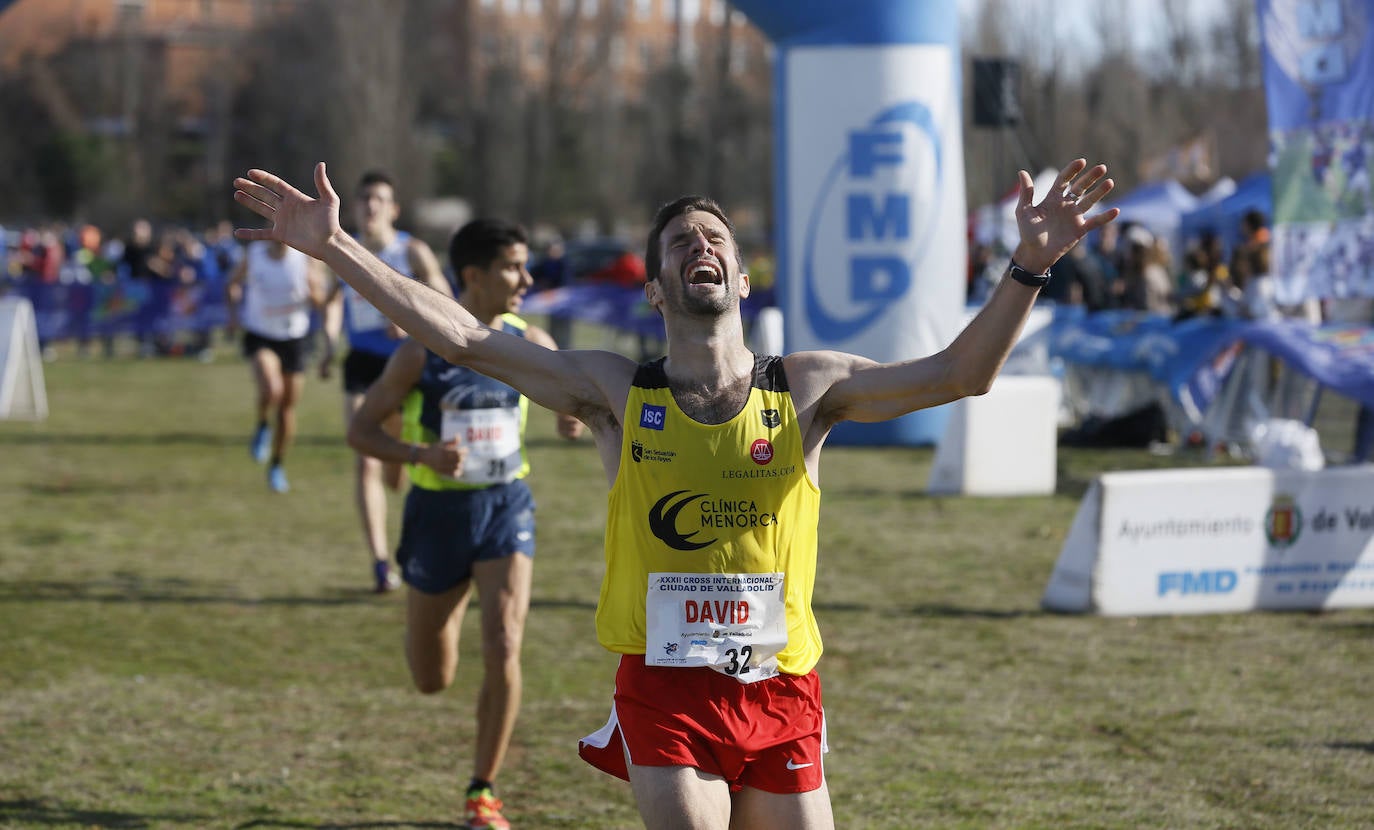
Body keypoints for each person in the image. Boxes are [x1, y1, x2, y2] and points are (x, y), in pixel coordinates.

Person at [233, 157, 1118, 830]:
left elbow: (963, 374)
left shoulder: (811, 386)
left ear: (740, 280)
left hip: (781, 686)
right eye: (681, 241)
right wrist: (337, 248)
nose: (704, 245)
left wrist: (1029, 266)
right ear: (655, 289)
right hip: (665, 686)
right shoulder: (617, 391)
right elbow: (466, 339)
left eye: (717, 240)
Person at [347, 218, 583, 830]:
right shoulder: (419, 350)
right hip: (436, 516)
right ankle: (438, 616)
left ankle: (483, 792)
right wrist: (420, 456)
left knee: (505, 641)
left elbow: (577, 402)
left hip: (506, 508)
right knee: (433, 678)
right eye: (512, 266)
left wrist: (572, 420)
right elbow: (361, 430)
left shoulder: (530, 341)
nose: (526, 278)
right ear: (473, 275)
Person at [320, 170, 451, 592]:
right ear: (355, 206)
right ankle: (380, 562)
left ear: (393, 209)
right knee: (365, 458)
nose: (371, 206)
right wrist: (327, 344)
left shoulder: (411, 251)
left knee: (395, 468)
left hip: (406, 367)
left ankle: (402, 475)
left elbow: (449, 304)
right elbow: (331, 301)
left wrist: (411, 318)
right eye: (364, 199)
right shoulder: (341, 250)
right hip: (361, 363)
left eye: (379, 199)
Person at [226, 238, 326, 493]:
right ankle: (261, 425)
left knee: (286, 408)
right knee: (272, 390)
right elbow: (232, 284)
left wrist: (314, 291)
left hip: (294, 338)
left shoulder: (306, 256)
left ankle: (277, 464)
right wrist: (234, 314)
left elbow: (321, 302)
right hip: (261, 334)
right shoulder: (255, 253)